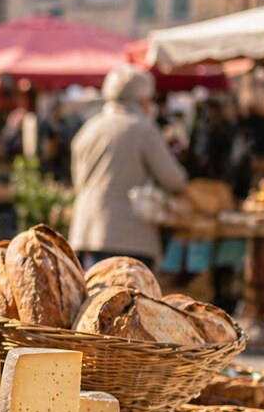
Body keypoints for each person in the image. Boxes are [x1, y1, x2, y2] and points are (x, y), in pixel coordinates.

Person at [69, 66, 187, 269]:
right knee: (131, 299)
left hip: (86, 233)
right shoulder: (142, 128)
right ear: (143, 100)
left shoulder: (89, 128)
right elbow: (174, 179)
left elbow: (78, 181)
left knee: (93, 297)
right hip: (130, 236)